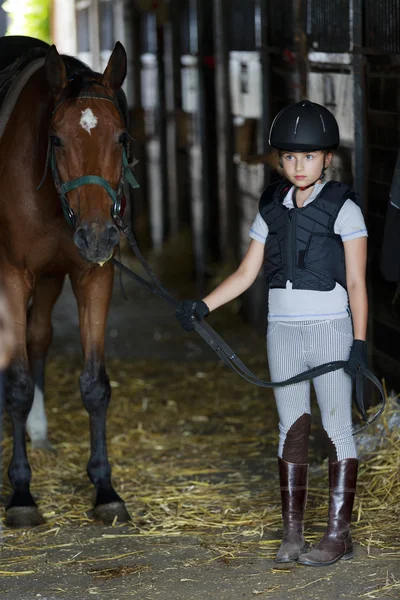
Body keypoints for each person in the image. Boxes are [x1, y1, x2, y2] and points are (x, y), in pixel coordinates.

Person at [176, 101, 368, 567]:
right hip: (280, 329)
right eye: (288, 157)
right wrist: (203, 305)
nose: (297, 166)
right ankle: (293, 533)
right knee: (292, 427)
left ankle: (338, 535)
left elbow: (359, 282)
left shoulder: (345, 209)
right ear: (279, 160)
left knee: (336, 425)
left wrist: (359, 342)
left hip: (328, 328)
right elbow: (246, 273)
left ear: (327, 159)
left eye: (308, 157)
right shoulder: (270, 206)